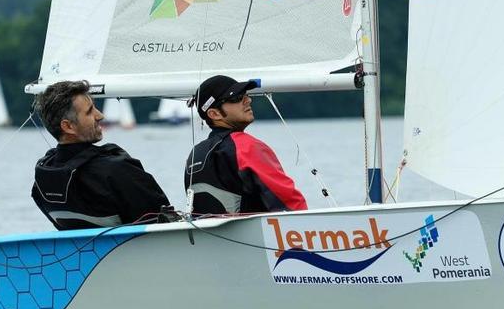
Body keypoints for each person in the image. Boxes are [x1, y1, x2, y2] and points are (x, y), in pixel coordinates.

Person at [32, 80, 170, 230]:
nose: (100, 115)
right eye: (90, 111)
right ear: (68, 126)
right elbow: (165, 223)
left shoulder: (42, 180)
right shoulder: (116, 171)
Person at [184, 75, 307, 215]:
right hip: (258, 236)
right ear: (214, 113)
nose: (248, 100)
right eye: (236, 98)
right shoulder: (245, 146)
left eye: (245, 95)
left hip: (209, 235)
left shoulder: (196, 153)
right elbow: (290, 203)